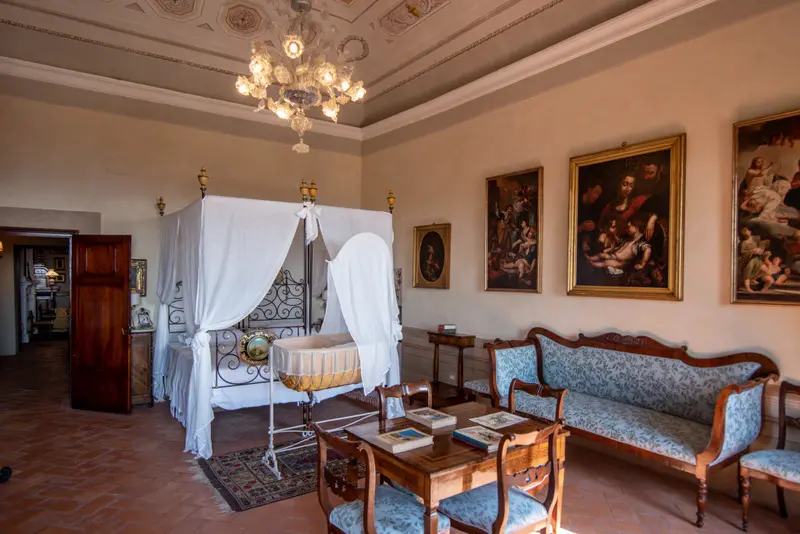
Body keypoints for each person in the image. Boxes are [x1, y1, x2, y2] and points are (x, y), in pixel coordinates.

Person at [587, 219, 652, 273]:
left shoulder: (639, 243)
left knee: (606, 262)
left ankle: (594, 264)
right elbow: (619, 241)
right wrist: (614, 235)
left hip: (621, 263)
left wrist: (642, 264)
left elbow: (648, 249)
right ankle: (590, 258)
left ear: (636, 228)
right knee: (602, 255)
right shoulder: (629, 239)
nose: (627, 229)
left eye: (629, 227)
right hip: (614, 256)